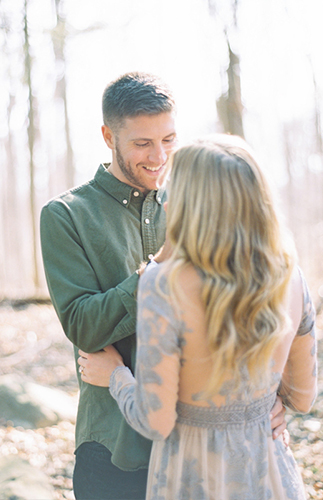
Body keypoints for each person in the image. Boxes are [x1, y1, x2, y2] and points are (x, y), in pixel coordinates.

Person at [40, 72, 287, 500]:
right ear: (107, 135)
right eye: (142, 143)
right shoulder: (66, 215)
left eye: (169, 139)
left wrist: (267, 396)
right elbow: (84, 328)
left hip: (203, 447)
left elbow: (248, 305)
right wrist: (161, 263)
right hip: (115, 447)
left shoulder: (201, 203)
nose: (159, 156)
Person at [79, 135, 317, 500]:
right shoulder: (290, 275)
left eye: (173, 189)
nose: (166, 200)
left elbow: (156, 421)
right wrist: (253, 407)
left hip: (192, 478)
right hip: (270, 475)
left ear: (191, 202)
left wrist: (114, 375)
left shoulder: (164, 284)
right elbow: (302, 398)